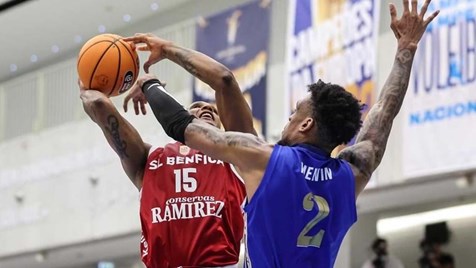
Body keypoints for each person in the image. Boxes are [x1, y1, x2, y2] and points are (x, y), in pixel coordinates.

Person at [137, 0, 439, 267]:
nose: (289, 118)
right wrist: (405, 51)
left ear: (306, 125)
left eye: (295, 112)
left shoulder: (262, 158)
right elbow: (384, 113)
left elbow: (182, 126)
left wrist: (151, 81)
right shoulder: (352, 173)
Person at [80, 34, 256, 267]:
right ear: (184, 119)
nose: (205, 108)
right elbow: (100, 105)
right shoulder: (150, 160)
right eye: (197, 107)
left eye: (212, 110)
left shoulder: (237, 156)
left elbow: (224, 80)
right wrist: (88, 85)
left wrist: (167, 50)